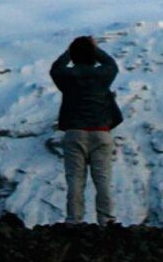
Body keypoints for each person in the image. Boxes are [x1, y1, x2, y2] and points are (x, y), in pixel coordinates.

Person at [50, 35, 122, 224]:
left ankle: (74, 220)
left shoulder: (67, 77)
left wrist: (71, 49)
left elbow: (55, 69)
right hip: (101, 132)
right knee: (102, 179)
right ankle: (106, 220)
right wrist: (93, 48)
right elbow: (111, 64)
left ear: (74, 56)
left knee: (75, 179)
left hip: (75, 132)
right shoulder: (103, 76)